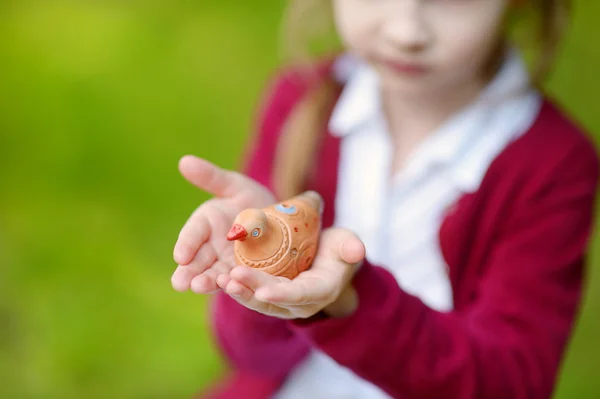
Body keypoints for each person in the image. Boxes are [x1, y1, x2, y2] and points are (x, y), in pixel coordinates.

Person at [171, 0, 600, 398]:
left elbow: (509, 383)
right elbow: (250, 357)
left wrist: (350, 303)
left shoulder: (552, 164)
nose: (406, 31)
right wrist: (256, 273)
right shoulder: (302, 104)